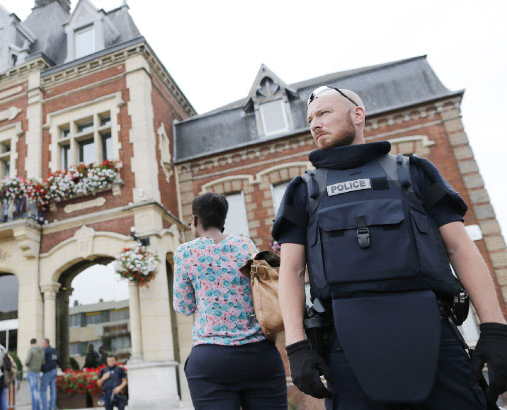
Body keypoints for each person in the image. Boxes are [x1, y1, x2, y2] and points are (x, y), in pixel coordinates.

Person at [273, 86, 507, 409]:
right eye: (310, 119)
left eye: (324, 113)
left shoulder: (413, 173)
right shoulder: (303, 192)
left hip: (435, 342)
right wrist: (297, 348)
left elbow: (460, 248)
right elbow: (291, 271)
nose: (314, 124)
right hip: (347, 350)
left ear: (358, 115)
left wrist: (495, 328)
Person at [173, 192, 288, 409]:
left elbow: (184, 307)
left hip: (211, 360)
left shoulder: (186, 252)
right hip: (259, 355)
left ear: (196, 220)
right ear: (223, 220)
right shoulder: (245, 245)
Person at [24, 338, 45, 410]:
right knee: (37, 391)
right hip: (38, 372)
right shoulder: (41, 350)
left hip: (31, 371)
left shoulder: (31, 350)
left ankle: (36, 408)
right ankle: (37, 408)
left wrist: (29, 366)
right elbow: (43, 362)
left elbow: (27, 361)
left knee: (34, 391)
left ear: (31, 343)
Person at [39, 338, 58, 410]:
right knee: (53, 390)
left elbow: (41, 361)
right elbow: (58, 360)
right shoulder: (54, 350)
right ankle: (52, 408)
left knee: (43, 390)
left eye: (42, 343)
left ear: (45, 343)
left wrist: (40, 368)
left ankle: (45, 408)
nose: (41, 345)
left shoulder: (45, 350)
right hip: (54, 371)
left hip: (47, 372)